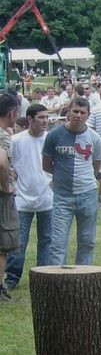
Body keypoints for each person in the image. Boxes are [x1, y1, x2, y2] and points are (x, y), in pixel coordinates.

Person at [42, 97, 101, 266]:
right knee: (58, 244)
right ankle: (57, 284)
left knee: (87, 241)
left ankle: (82, 281)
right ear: (68, 111)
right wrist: (62, 176)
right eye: (75, 111)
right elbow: (46, 164)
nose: (78, 115)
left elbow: (96, 164)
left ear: (88, 115)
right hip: (62, 196)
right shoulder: (54, 135)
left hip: (88, 194)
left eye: (83, 113)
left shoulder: (95, 138)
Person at [3, 104, 52, 291]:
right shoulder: (16, 141)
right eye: (41, 117)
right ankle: (12, 277)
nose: (45, 121)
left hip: (48, 199)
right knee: (18, 242)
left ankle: (43, 275)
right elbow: (6, 164)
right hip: (22, 200)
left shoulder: (50, 139)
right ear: (29, 119)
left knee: (46, 240)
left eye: (47, 117)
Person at [0, 93, 21, 301]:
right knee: (2, 245)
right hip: (1, 198)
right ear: (12, 112)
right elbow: (1, 160)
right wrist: (6, 185)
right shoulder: (3, 135)